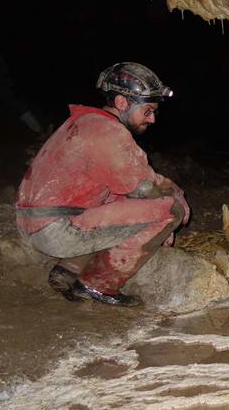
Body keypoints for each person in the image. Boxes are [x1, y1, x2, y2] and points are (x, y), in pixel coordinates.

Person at [15, 62, 190, 306]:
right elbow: (146, 189)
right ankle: (98, 284)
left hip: (34, 220)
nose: (152, 119)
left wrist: (166, 186)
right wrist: (174, 200)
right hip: (56, 229)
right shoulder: (109, 132)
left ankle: (68, 269)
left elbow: (132, 179)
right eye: (147, 110)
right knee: (170, 210)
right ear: (121, 103)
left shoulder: (83, 122)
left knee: (117, 196)